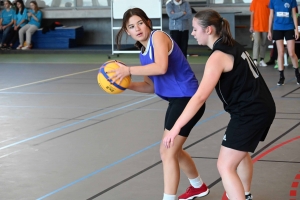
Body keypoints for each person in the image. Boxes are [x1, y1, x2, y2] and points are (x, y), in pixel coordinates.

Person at [162, 9, 276, 200]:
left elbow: (199, 98)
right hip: (260, 108)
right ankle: (245, 194)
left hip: (250, 113)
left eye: (195, 29)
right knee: (240, 153)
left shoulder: (218, 56)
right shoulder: (231, 45)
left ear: (208, 30)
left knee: (225, 166)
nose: (192, 33)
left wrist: (175, 128)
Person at [111, 8, 209, 200]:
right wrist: (125, 84)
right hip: (176, 101)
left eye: (140, 23)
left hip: (188, 99)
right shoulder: (143, 53)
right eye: (131, 26)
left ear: (148, 22)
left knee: (166, 152)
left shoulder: (159, 37)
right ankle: (198, 186)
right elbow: (150, 86)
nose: (137, 28)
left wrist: (128, 70)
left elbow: (161, 67)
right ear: (127, 31)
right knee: (174, 150)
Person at [268, 0, 300, 85]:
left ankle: (297, 74)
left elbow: (294, 15)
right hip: (277, 28)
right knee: (281, 52)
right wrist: (269, 31)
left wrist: (296, 30)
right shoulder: (273, 1)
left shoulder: (292, 0)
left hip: (289, 28)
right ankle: (281, 76)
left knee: (291, 53)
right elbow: (271, 15)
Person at [249, 0, 270, 67]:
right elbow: (252, 13)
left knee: (263, 43)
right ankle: (255, 59)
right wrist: (251, 26)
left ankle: (261, 60)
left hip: (265, 26)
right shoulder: (255, 1)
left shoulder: (269, 1)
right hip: (256, 26)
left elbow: (271, 14)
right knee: (256, 42)